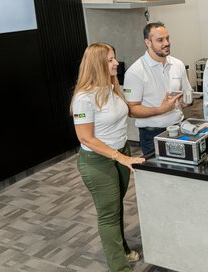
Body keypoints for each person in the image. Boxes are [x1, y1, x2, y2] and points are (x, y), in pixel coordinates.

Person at [70, 43, 145, 272]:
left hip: (121, 153)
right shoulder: (83, 98)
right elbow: (85, 138)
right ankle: (119, 267)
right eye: (110, 60)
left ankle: (121, 250)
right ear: (97, 65)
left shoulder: (111, 87)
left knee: (116, 207)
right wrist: (118, 157)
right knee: (108, 214)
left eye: (114, 58)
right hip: (98, 162)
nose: (116, 63)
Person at [123, 22, 192, 155]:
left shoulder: (178, 64)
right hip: (152, 135)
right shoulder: (135, 72)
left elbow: (187, 94)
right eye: (160, 40)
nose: (166, 43)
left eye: (167, 38)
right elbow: (131, 110)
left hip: (179, 128)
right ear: (148, 42)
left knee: (182, 173)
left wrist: (186, 100)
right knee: (160, 175)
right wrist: (161, 110)